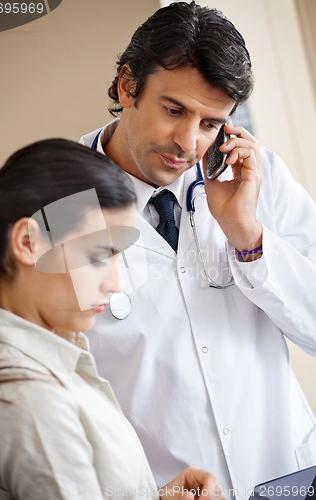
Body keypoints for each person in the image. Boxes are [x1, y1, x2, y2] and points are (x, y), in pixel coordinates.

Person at [79, 2, 316, 499]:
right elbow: (48, 392)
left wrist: (250, 238)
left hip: (288, 482)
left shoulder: (258, 178)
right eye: (174, 110)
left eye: (211, 123)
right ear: (127, 85)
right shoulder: (60, 207)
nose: (188, 143)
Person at [0, 138, 226, 499]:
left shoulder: (53, 356)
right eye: (98, 256)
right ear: (27, 242)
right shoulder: (31, 402)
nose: (115, 284)